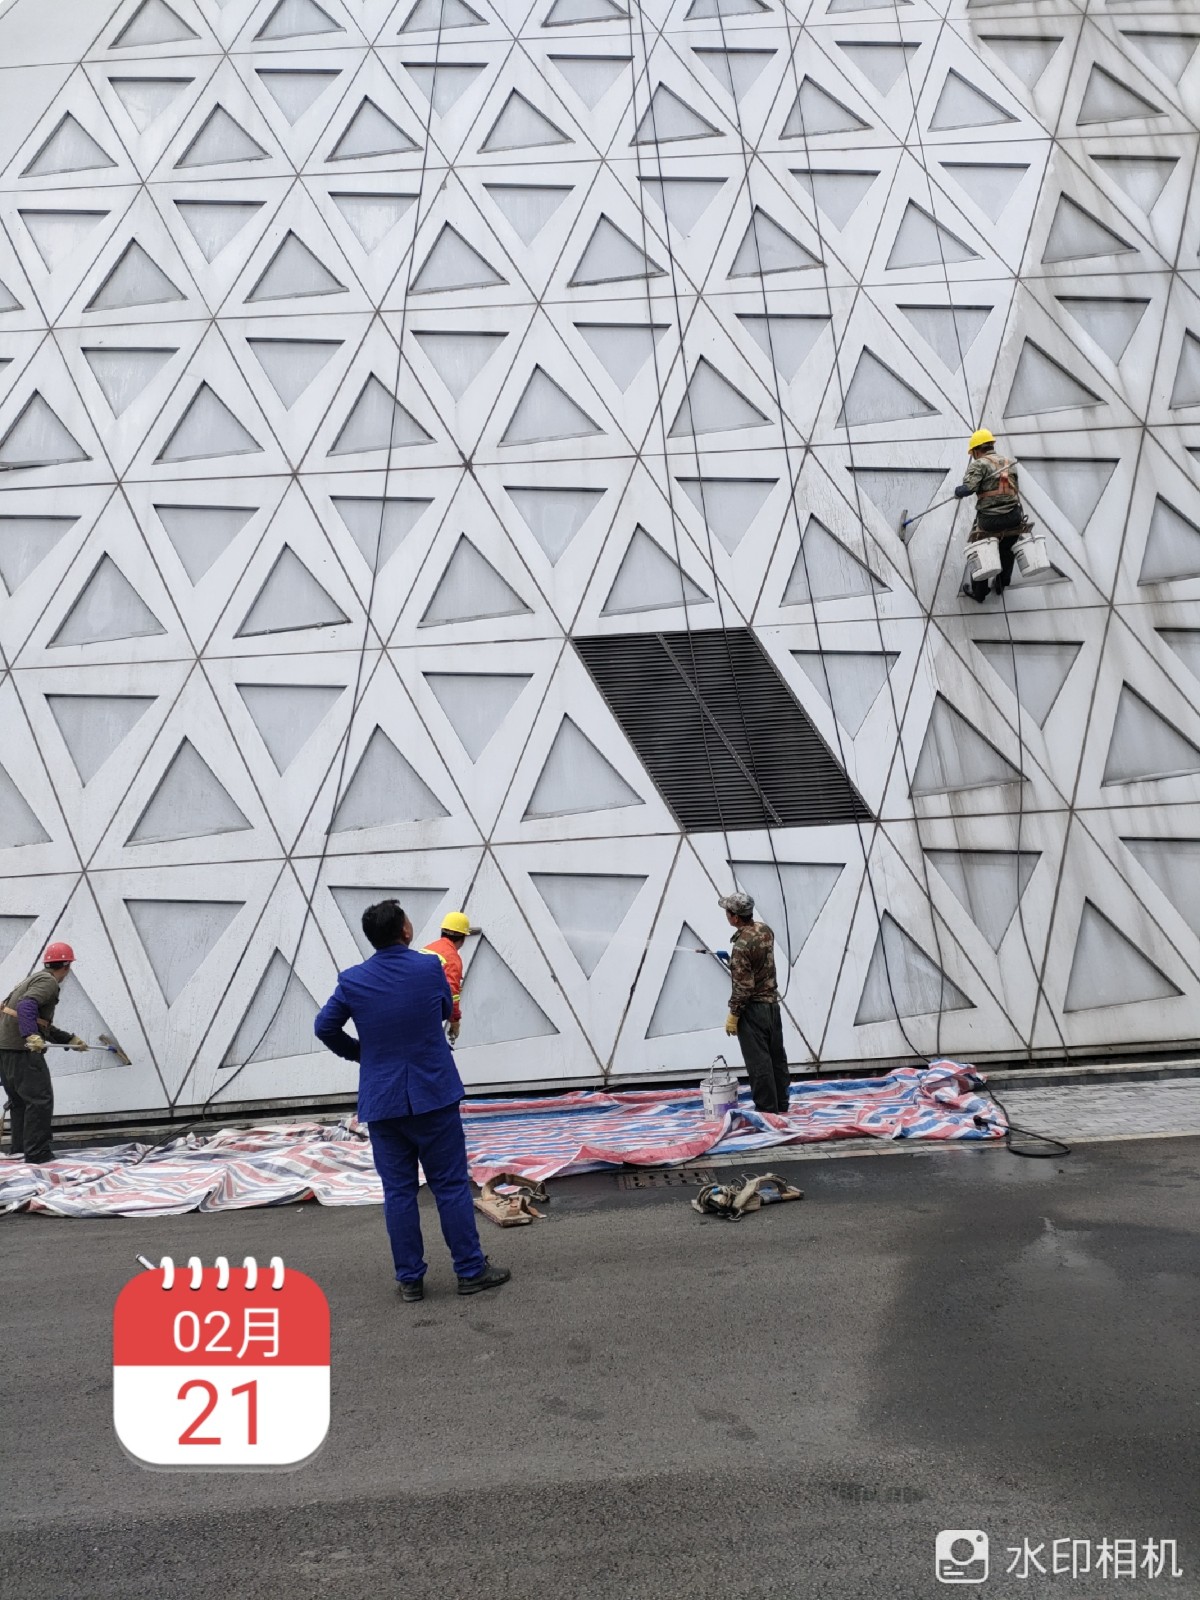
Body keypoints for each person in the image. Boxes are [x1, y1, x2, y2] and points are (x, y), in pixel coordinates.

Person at [313, 899, 509, 1302]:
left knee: (399, 1192)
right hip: (433, 1092)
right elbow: (444, 1008)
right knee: (450, 1186)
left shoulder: (352, 980)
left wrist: (361, 1053)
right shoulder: (429, 968)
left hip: (383, 1100)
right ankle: (470, 1270)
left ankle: (410, 1280)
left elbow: (324, 1027)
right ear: (405, 931)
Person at [0, 942, 88, 1165]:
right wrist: (30, 1035)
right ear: (67, 966)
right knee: (39, 1100)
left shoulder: (34, 978)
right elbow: (26, 1007)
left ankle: (20, 1150)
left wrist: (69, 1040)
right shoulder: (48, 982)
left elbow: (40, 1022)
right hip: (22, 1051)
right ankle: (37, 1154)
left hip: (6, 1050)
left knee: (20, 1102)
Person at [718, 892, 790, 1116]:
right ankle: (782, 1104)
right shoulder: (764, 930)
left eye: (728, 912)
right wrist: (734, 964)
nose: (726, 916)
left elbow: (744, 988)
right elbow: (758, 964)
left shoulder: (741, 946)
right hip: (772, 1006)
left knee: (759, 1063)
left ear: (735, 917)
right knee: (776, 1058)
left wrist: (734, 1014)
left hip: (753, 1010)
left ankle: (767, 1112)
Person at [955, 427, 1029, 603]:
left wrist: (957, 491)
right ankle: (1002, 583)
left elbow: (968, 489)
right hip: (1014, 517)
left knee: (980, 551)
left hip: (991, 520)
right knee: (1007, 549)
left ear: (976, 450)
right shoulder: (1008, 463)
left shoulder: (979, 464)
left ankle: (979, 593)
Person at [421, 911, 472, 1046]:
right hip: (428, 1013)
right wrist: (455, 1020)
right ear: (463, 939)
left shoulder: (427, 949)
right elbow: (452, 993)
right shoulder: (452, 959)